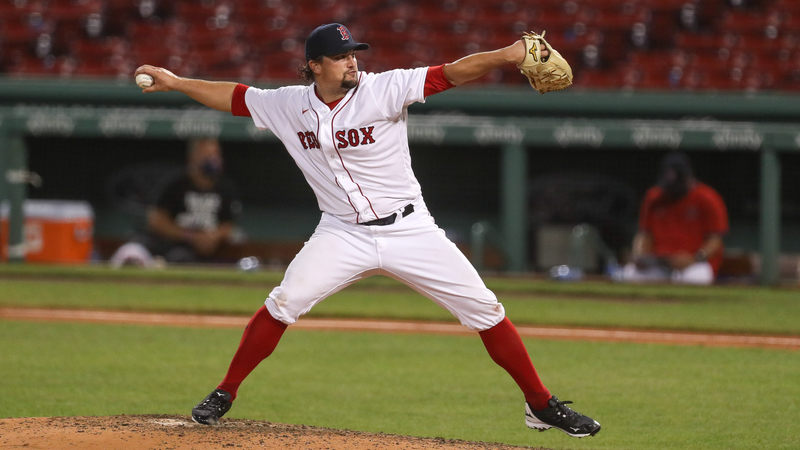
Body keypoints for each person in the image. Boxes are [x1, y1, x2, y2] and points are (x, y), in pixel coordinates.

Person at [135, 23, 600, 438]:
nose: (352, 61)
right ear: (314, 66)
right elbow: (234, 97)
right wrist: (175, 82)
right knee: (283, 303)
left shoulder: (385, 89)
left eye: (354, 53)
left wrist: (508, 55)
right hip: (341, 233)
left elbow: (452, 72)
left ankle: (540, 404)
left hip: (410, 229)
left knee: (486, 309)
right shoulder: (287, 105)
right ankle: (224, 393)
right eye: (340, 56)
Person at [109, 138, 239, 266]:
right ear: (194, 157)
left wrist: (213, 237)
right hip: (169, 244)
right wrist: (190, 236)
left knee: (184, 258)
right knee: (135, 249)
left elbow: (228, 225)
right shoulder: (176, 184)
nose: (213, 159)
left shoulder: (225, 189)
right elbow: (156, 220)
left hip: (202, 252)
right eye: (208, 155)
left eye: (216, 154)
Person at [621, 152, 728, 285]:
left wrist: (695, 258)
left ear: (688, 177)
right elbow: (644, 234)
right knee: (631, 274)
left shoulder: (707, 197)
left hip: (695, 264)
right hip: (660, 264)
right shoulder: (654, 197)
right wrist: (640, 257)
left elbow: (716, 240)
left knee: (695, 278)